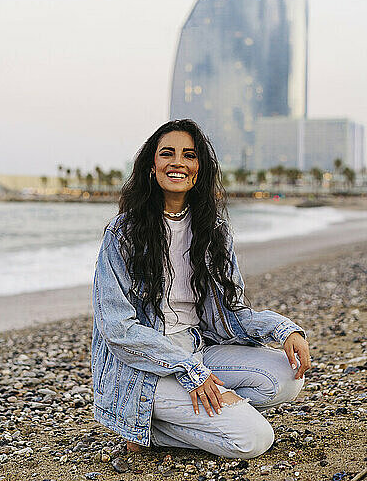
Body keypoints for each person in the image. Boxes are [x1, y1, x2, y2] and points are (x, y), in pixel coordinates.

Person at [91, 119, 311, 459]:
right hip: (145, 365)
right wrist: (192, 372)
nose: (177, 162)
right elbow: (118, 329)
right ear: (152, 167)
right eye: (167, 154)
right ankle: (144, 420)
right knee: (255, 440)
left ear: (198, 169)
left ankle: (159, 425)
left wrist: (282, 331)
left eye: (188, 155)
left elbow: (232, 309)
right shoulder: (122, 235)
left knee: (288, 377)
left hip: (199, 348)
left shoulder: (213, 232)